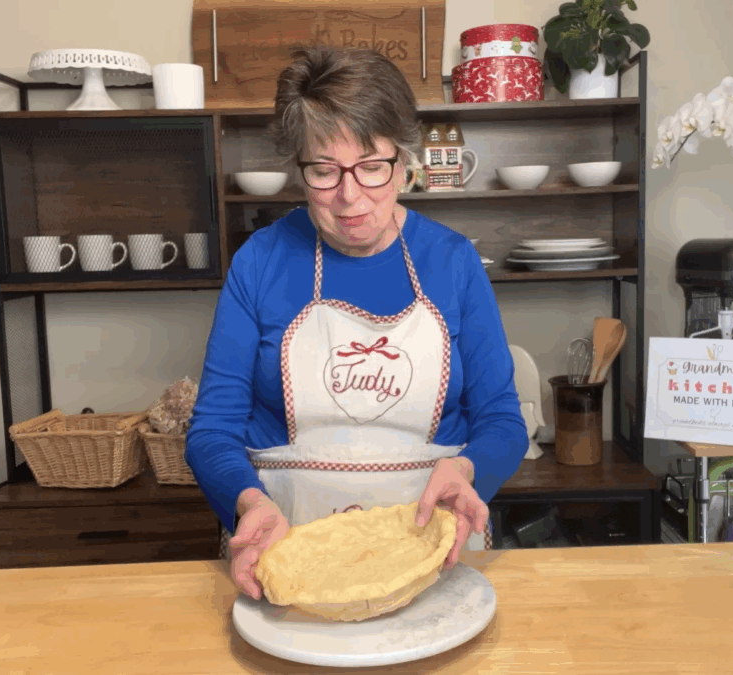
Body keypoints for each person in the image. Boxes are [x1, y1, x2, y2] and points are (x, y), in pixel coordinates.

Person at [185, 46, 527, 601]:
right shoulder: (260, 261)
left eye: (372, 166)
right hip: (288, 555)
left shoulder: (453, 260)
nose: (350, 197)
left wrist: (469, 471)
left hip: (434, 558)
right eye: (324, 171)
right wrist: (247, 502)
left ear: (404, 158)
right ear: (298, 167)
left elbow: (502, 420)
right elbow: (212, 431)